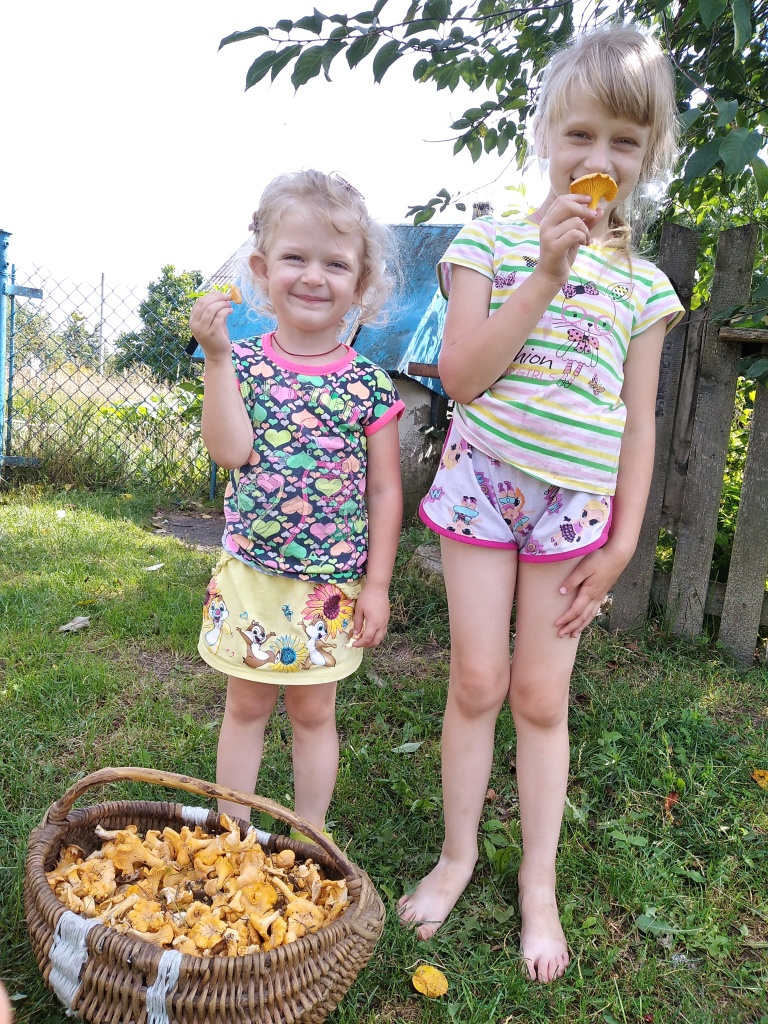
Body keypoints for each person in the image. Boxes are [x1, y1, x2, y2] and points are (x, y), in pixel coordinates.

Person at [398, 26, 684, 982]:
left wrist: (624, 540)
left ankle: (539, 885)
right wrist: (548, 274)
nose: (599, 158)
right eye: (581, 134)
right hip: (483, 484)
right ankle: (457, 857)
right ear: (548, 135)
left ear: (648, 156)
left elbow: (638, 423)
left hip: (573, 509)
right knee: (477, 681)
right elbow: (461, 376)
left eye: (624, 142)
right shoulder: (489, 244)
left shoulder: (645, 286)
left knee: (540, 696)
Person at [189, 170, 403, 834]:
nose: (313, 276)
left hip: (329, 589)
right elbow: (229, 451)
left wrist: (377, 585)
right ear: (262, 270)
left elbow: (384, 489)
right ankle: (233, 835)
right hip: (252, 575)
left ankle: (309, 836)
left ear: (361, 285)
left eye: (335, 264)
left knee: (314, 714)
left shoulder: (369, 385)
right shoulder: (242, 364)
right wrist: (216, 360)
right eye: (295, 258)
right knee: (246, 707)